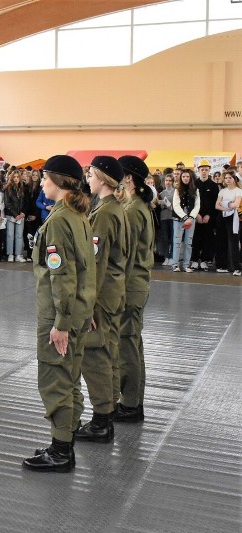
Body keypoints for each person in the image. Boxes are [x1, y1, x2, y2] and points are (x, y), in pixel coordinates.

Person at [23, 155, 95, 473]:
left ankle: (61, 450)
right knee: (70, 377)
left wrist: (61, 323)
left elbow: (62, 275)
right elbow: (86, 270)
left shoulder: (59, 221)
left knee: (56, 380)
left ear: (60, 182)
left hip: (59, 314)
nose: (41, 183)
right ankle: (65, 438)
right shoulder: (78, 216)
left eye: (45, 178)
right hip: (78, 310)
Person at [73, 156, 129, 444]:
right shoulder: (114, 208)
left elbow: (97, 263)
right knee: (110, 352)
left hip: (102, 296)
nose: (88, 179)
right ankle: (107, 413)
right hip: (114, 292)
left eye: (91, 174)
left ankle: (101, 419)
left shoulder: (105, 213)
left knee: (95, 355)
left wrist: (89, 305)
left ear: (103, 179)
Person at [115, 155, 155, 423]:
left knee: (126, 346)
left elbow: (125, 257)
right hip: (138, 285)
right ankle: (133, 402)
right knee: (133, 344)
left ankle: (129, 405)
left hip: (129, 286)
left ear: (129, 178)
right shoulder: (140, 206)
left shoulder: (131, 210)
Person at [170, 169, 200, 272]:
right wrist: (185, 217)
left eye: (187, 176)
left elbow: (197, 205)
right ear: (181, 178)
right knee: (177, 242)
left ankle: (186, 265)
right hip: (179, 219)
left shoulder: (195, 190)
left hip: (191, 219)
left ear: (190, 177)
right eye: (183, 177)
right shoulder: (177, 190)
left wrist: (190, 218)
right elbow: (176, 205)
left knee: (188, 243)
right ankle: (175, 265)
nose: (185, 178)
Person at [215, 171, 241, 276]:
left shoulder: (238, 191)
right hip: (221, 217)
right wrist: (227, 205)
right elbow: (217, 205)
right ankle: (222, 265)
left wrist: (225, 203)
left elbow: (236, 204)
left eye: (230, 178)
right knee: (221, 241)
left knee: (234, 242)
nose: (228, 180)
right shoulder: (222, 192)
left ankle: (237, 268)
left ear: (234, 179)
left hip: (233, 217)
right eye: (226, 178)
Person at [3, 169, 27, 262]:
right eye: (14, 177)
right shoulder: (8, 188)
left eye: (18, 177)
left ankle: (18, 255)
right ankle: (10, 254)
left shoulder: (24, 188)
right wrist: (15, 214)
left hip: (21, 216)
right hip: (10, 215)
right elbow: (7, 203)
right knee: (10, 235)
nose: (16, 178)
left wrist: (22, 213)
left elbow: (26, 202)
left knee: (19, 235)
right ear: (11, 178)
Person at [157, 174, 175, 265]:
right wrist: (162, 204)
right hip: (164, 217)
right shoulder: (161, 193)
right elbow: (159, 205)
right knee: (165, 238)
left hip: (172, 217)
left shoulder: (176, 192)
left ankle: (172, 256)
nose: (168, 182)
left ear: (172, 182)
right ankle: (166, 257)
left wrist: (170, 205)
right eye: (166, 180)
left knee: (172, 237)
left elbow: (176, 205)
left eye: (170, 180)